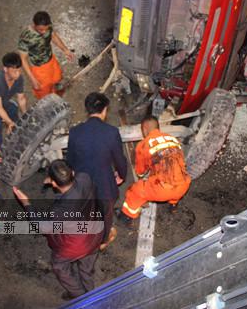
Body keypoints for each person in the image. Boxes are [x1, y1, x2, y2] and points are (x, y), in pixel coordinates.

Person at [12, 160, 104, 300]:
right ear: (72, 173)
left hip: (76, 244)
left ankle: (78, 295)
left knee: (59, 265)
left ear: (53, 184)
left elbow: (42, 227)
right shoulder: (85, 178)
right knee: (86, 266)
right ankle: (90, 291)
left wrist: (26, 204)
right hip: (95, 233)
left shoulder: (60, 211)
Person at [67, 92, 127, 250]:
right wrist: (121, 175)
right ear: (105, 109)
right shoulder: (111, 132)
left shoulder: (74, 132)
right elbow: (119, 159)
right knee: (106, 215)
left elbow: (70, 161)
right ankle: (103, 240)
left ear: (87, 109)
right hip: (104, 185)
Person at [118, 115, 191, 223]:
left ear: (144, 129)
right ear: (158, 127)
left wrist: (144, 176)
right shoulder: (173, 139)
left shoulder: (143, 145)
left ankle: (126, 216)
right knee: (174, 176)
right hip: (184, 185)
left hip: (163, 190)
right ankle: (173, 205)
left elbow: (140, 172)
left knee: (135, 190)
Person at [17, 11, 75, 99]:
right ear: (34, 24)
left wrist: (65, 50)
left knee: (57, 81)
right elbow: (23, 59)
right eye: (41, 30)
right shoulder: (26, 37)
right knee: (43, 92)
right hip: (39, 69)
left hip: (52, 61)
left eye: (46, 29)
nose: (44, 32)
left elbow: (53, 36)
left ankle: (57, 99)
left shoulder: (48, 26)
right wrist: (32, 79)